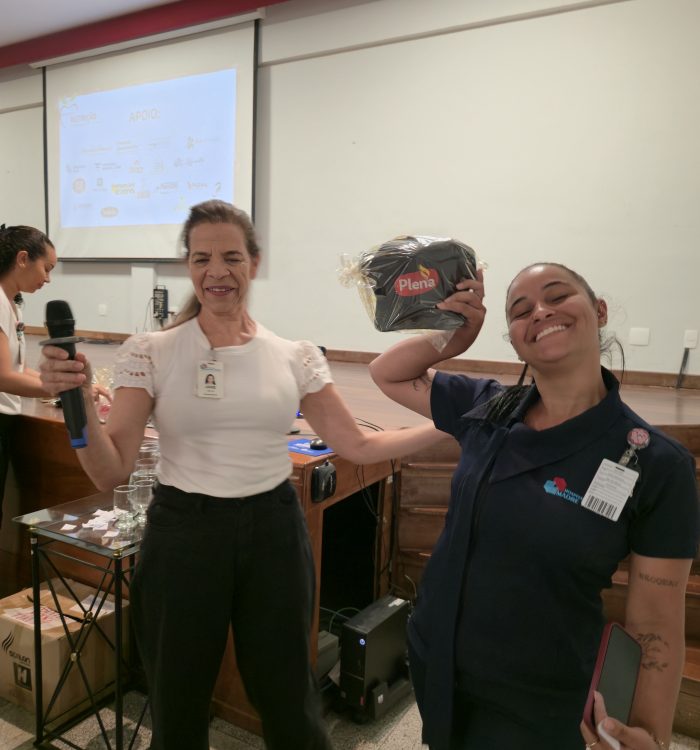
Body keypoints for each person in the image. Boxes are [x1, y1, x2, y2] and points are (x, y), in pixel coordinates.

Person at [38, 199, 445, 750]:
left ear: (254, 262)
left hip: (273, 531)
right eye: (201, 258)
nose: (217, 271)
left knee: (289, 701)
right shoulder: (151, 352)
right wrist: (80, 398)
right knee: (177, 702)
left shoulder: (295, 356)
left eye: (231, 257)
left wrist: (447, 428)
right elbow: (111, 472)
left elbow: (358, 444)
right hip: (183, 534)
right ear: (188, 265)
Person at [369, 263, 699, 750]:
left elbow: (656, 621)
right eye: (521, 311)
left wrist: (651, 732)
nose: (540, 312)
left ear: (599, 311)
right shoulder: (487, 407)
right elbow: (387, 373)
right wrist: (454, 338)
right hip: (439, 663)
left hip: (540, 698)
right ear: (515, 341)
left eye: (557, 296)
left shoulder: (656, 463)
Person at [0, 224, 57, 526]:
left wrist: (74, 385)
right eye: (46, 268)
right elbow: (3, 377)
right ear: (23, 259)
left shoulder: (13, 304)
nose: (48, 279)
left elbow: (18, 368)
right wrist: (59, 390)